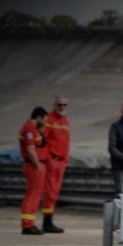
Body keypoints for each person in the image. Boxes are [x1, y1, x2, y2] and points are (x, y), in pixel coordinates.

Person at [40, 95, 71, 233]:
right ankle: (47, 221)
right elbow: (42, 140)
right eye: (60, 105)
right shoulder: (49, 120)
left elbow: (65, 142)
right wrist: (48, 158)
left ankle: (49, 221)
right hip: (52, 160)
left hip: (61, 162)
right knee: (49, 192)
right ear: (54, 105)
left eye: (65, 105)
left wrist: (65, 159)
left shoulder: (65, 121)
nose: (62, 107)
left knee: (55, 192)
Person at [18, 107, 50, 235]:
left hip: (36, 165)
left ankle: (30, 223)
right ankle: (26, 225)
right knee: (32, 196)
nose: (45, 123)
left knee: (35, 196)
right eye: (44, 120)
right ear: (39, 117)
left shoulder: (34, 129)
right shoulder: (29, 128)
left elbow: (39, 144)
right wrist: (38, 165)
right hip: (34, 166)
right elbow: (30, 149)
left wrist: (41, 132)